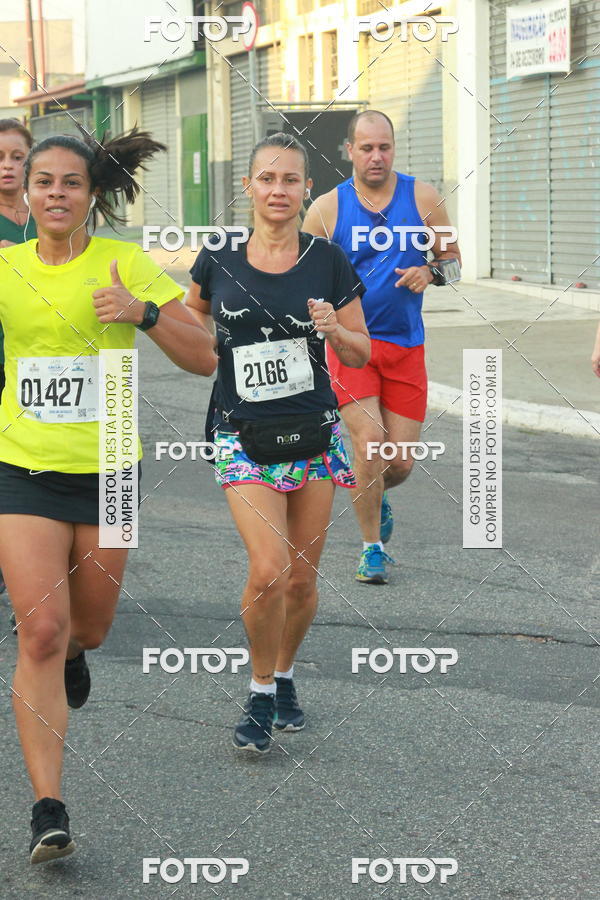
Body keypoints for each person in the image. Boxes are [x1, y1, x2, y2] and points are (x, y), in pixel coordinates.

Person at [0, 126, 216, 863]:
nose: (56, 193)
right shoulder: (5, 268)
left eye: (70, 182)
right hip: (22, 468)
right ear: (25, 193)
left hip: (113, 471)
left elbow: (204, 356)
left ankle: (73, 656)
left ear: (92, 195)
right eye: (43, 182)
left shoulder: (126, 264)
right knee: (40, 631)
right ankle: (47, 809)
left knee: (86, 631)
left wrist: (145, 313)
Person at [186, 132, 370, 754]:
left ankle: (286, 673)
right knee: (269, 570)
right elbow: (193, 325)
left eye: (290, 180)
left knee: (302, 583)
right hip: (240, 433)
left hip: (315, 434)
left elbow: (362, 349)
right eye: (266, 179)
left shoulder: (328, 260)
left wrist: (335, 331)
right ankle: (260, 689)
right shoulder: (219, 256)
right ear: (248, 188)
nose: (278, 190)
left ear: (305, 189)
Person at [303, 109, 461, 584]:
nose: (376, 156)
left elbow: (455, 262)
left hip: (405, 347)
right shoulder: (326, 210)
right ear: (349, 150)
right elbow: (301, 274)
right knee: (369, 444)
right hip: (351, 345)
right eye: (367, 147)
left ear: (394, 148)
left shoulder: (425, 198)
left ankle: (374, 489)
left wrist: (430, 272)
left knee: (400, 463)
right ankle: (371, 548)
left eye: (384, 147)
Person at [0, 119, 36, 598]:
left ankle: (30, 575)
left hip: (44, 366)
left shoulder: (53, 214)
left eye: (16, 157)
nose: (7, 166)